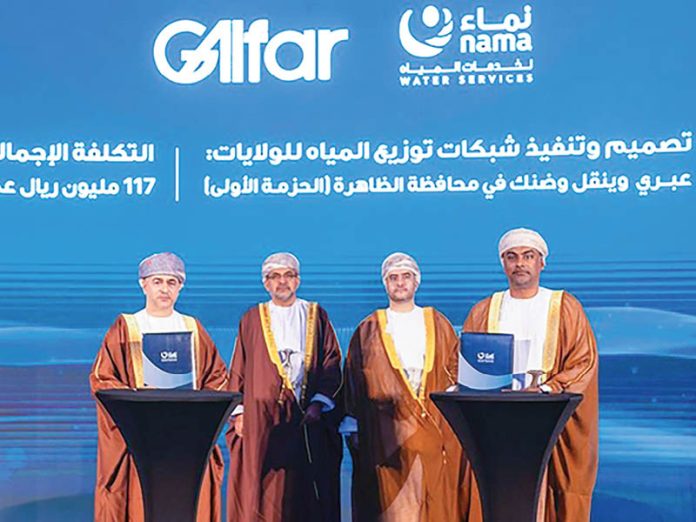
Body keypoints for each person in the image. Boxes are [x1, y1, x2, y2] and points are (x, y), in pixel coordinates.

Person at [463, 228, 598, 522]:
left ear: (542, 263)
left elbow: (583, 361)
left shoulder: (564, 306)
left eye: (528, 256)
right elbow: (465, 363)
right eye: (512, 257)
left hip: (547, 416)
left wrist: (549, 388)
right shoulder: (484, 310)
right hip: (496, 419)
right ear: (503, 263)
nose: (520, 264)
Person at [89, 252, 229, 521]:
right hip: (142, 435)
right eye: (157, 281)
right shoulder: (126, 327)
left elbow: (218, 376)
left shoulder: (192, 328)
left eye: (171, 282)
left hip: (186, 436)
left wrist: (197, 406)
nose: (165, 289)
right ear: (143, 284)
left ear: (180, 287)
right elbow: (102, 379)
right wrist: (137, 399)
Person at [342, 252, 470, 522]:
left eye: (406, 277)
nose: (400, 283)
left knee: (436, 499)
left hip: (433, 430)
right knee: (393, 504)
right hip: (387, 435)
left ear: (416, 281)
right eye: (393, 278)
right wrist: (353, 424)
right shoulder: (368, 328)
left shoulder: (438, 322)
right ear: (385, 284)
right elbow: (354, 381)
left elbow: (455, 371)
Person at [226, 252, 343, 522]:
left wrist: (318, 403)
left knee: (306, 489)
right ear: (265, 283)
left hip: (305, 418)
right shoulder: (252, 318)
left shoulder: (315, 314)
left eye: (288, 275)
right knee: (264, 486)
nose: (282, 282)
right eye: (275, 276)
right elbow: (239, 367)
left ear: (297, 280)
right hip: (262, 419)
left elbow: (331, 362)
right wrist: (240, 413)